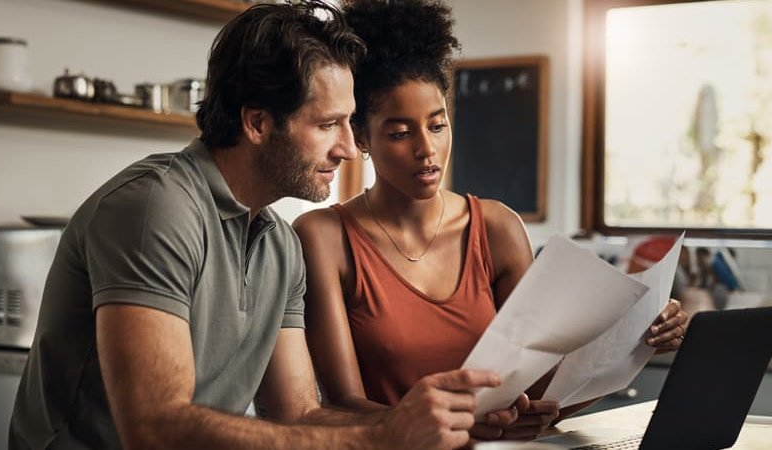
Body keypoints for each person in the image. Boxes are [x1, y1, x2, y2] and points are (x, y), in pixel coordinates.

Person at [8, 2, 502, 449]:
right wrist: (379, 439)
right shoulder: (155, 208)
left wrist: (431, 422)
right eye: (327, 125)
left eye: (349, 124)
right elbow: (155, 427)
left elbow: (298, 413)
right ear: (258, 123)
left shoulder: (280, 245)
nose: (349, 149)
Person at [293, 0, 688, 442]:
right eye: (400, 133)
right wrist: (460, 425)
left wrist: (638, 340)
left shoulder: (497, 228)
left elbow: (543, 390)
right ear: (360, 136)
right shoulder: (324, 237)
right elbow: (342, 404)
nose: (426, 150)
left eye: (437, 125)